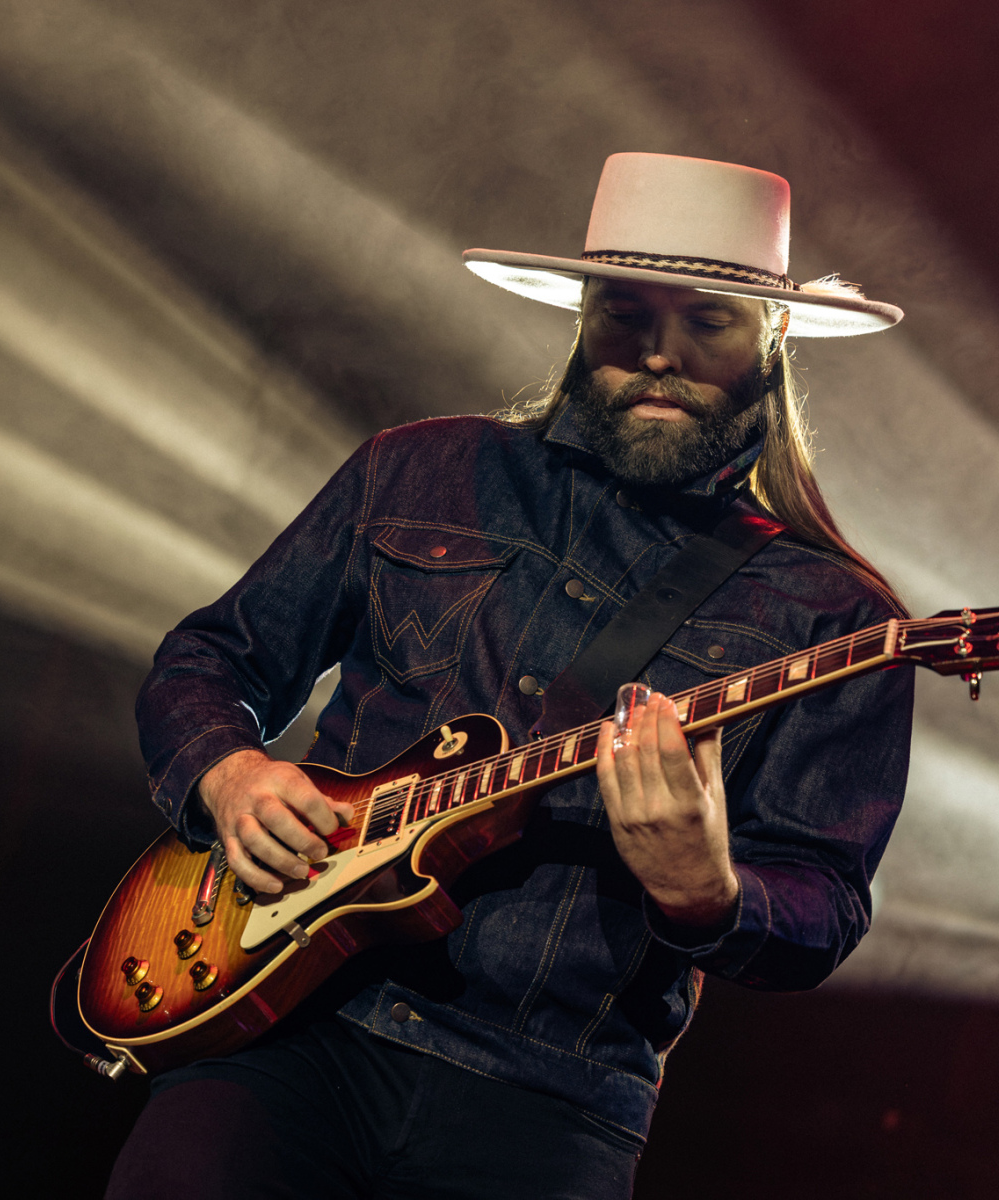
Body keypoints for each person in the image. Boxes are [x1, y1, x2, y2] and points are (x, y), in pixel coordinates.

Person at [107, 153, 915, 1200]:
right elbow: (208, 661)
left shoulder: (835, 618)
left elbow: (824, 905)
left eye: (708, 322)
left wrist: (710, 892)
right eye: (625, 315)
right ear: (582, 316)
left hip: (550, 1100)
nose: (659, 355)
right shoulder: (419, 470)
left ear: (775, 335)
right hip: (293, 1023)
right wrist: (231, 776)